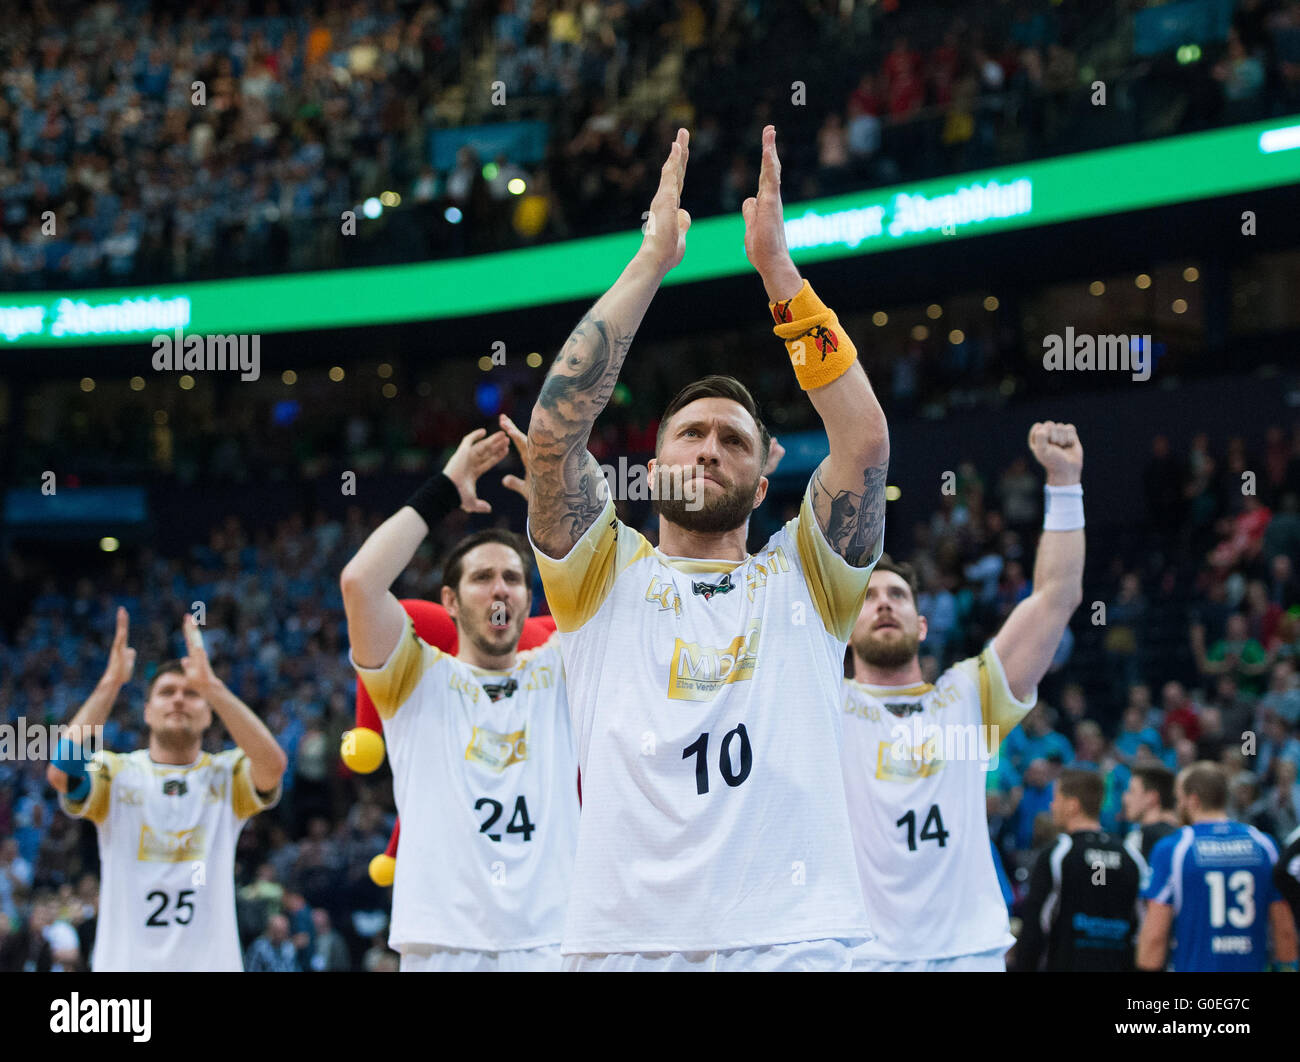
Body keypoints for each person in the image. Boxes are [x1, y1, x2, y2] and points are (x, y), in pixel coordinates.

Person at [525, 126, 889, 971]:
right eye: (690, 433)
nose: (709, 449)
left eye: (733, 439)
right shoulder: (600, 572)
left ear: (764, 483)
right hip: (626, 946)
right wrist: (652, 260)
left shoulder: (809, 575)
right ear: (651, 469)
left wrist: (780, 277)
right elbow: (553, 432)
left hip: (799, 940)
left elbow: (863, 445)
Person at [842, 423, 1084, 971]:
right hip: (862, 959)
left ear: (922, 625)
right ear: (842, 625)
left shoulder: (966, 696)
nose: (884, 604)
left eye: (898, 595)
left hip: (968, 953)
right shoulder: (824, 705)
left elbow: (1056, 598)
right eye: (869, 596)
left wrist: (1065, 485)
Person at [340, 424, 579, 972]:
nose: (500, 589)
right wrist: (446, 486)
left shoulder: (564, 665)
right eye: (483, 578)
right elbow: (359, 584)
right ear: (448, 599)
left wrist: (556, 493)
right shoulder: (414, 678)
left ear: (527, 597)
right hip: (442, 946)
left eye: (513, 579)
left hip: (555, 943)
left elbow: (614, 587)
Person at [46, 609, 286, 972]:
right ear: (146, 711)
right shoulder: (116, 771)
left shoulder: (226, 773)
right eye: (167, 692)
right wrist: (110, 684)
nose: (178, 699)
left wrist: (214, 687)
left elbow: (273, 765)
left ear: (208, 713)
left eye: (191, 694)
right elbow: (61, 773)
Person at [1138, 761, 1299, 971]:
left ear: (1193, 800)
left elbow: (1155, 937)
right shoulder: (1264, 845)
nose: (1178, 806)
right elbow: (1284, 930)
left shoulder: (1174, 848)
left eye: (1179, 799)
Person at [1011, 768, 1143, 971]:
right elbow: (1142, 924)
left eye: (1056, 798)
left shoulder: (1058, 853)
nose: (1051, 805)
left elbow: (1035, 926)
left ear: (1072, 806)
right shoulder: (1130, 854)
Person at [1122, 764, 1179, 867]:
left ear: (1151, 797)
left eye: (1132, 791)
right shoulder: (1184, 836)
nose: (1125, 798)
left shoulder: (1139, 838)